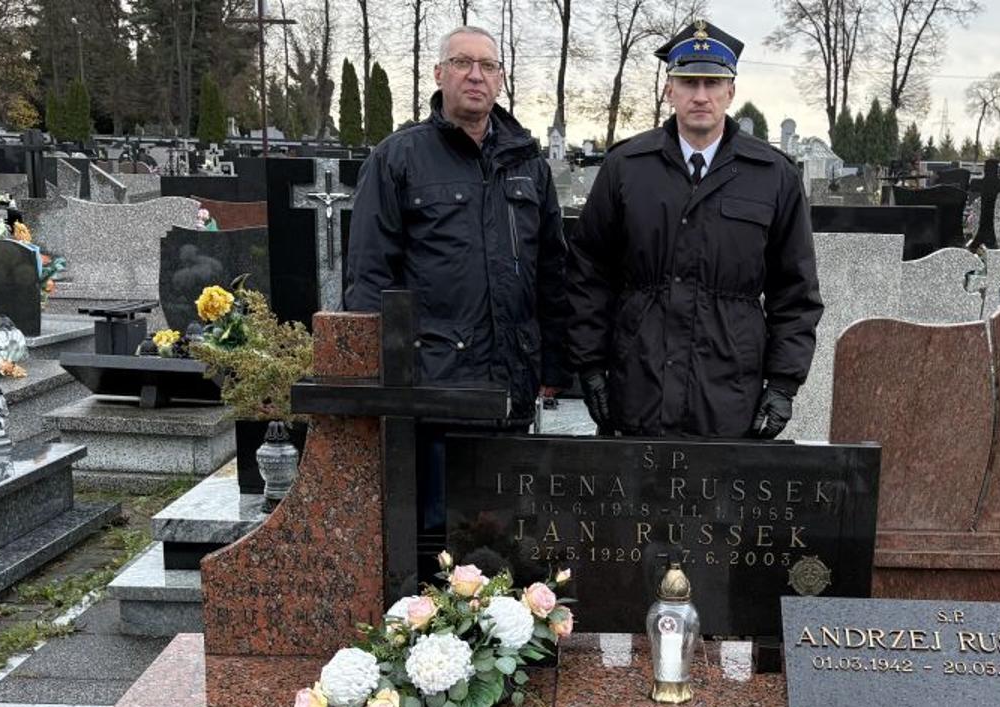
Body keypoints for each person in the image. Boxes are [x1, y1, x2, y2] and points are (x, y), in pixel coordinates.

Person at [344, 25, 572, 546]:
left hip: (512, 379)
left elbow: (552, 269)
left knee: (507, 541)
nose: (476, 75)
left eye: (488, 66)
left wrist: (554, 363)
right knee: (437, 537)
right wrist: (377, 372)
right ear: (439, 73)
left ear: (500, 78)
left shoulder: (527, 163)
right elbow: (369, 275)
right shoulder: (398, 158)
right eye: (463, 63)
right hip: (434, 380)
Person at [567, 20, 822, 439]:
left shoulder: (773, 176)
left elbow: (795, 291)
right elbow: (588, 273)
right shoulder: (627, 168)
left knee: (721, 503)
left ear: (731, 91)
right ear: (669, 90)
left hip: (728, 392)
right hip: (638, 385)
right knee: (634, 502)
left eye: (712, 82)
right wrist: (591, 366)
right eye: (688, 82)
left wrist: (782, 384)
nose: (700, 95)